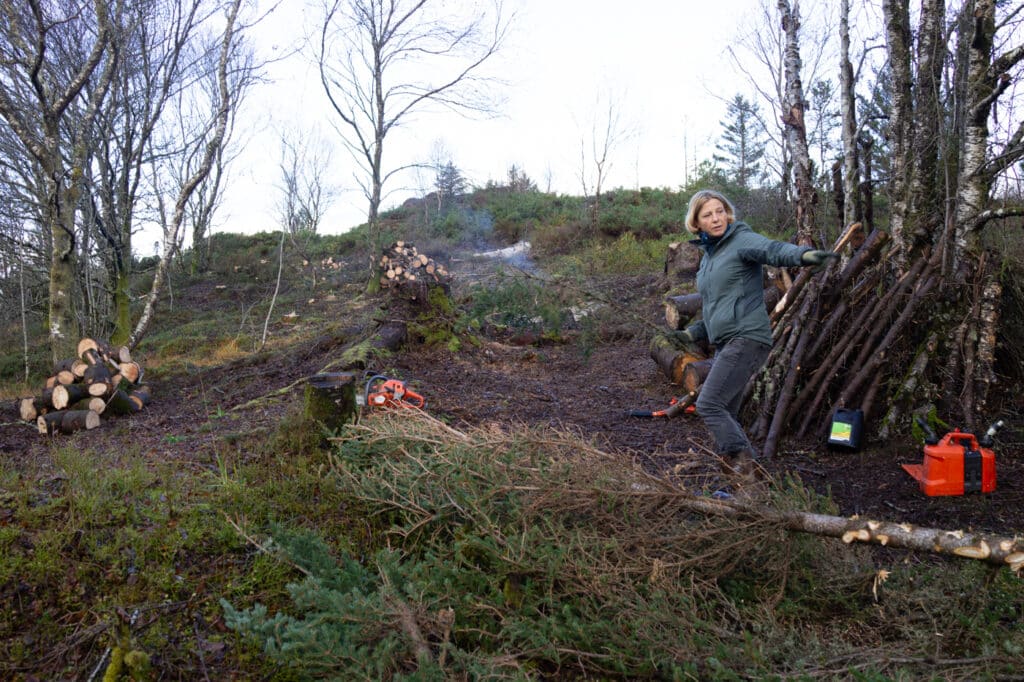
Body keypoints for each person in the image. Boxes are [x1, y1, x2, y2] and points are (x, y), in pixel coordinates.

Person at [672, 189, 836, 480]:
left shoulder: (740, 240)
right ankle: (737, 480)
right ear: (696, 223)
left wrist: (803, 255)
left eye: (720, 211)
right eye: (708, 214)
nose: (716, 218)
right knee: (726, 411)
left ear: (728, 213)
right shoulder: (709, 257)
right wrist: (695, 331)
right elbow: (716, 304)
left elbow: (771, 249)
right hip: (726, 341)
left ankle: (750, 475)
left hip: (747, 336)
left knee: (709, 404)